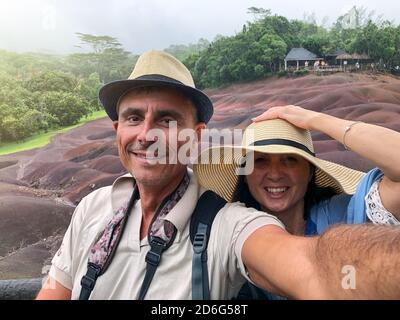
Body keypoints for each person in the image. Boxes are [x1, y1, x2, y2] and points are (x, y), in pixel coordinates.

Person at [36, 51, 400, 300]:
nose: (145, 134)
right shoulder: (91, 209)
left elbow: (314, 266)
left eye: (166, 119)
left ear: (195, 137)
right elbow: (56, 289)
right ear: (117, 129)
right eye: (133, 118)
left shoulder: (226, 226)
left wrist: (315, 119)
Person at [194, 104, 400, 299]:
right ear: (245, 175)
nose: (275, 174)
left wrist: (314, 119)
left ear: (310, 171)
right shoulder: (228, 237)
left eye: (289, 159)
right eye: (261, 160)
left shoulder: (343, 215)